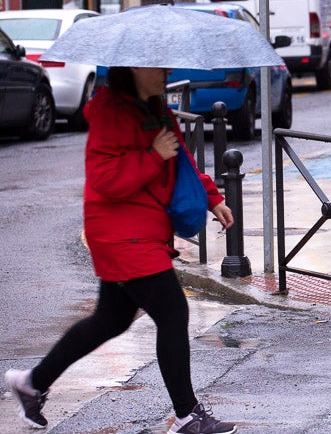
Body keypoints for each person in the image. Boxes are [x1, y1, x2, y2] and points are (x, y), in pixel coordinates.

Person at [4, 67, 237, 434]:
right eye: (156, 65)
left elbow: (182, 163)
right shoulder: (111, 113)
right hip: (120, 233)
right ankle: (187, 415)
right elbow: (106, 180)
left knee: (110, 319)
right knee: (173, 312)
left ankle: (32, 383)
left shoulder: (157, 109)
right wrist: (153, 155)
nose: (165, 71)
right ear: (131, 70)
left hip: (143, 230)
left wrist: (212, 198)